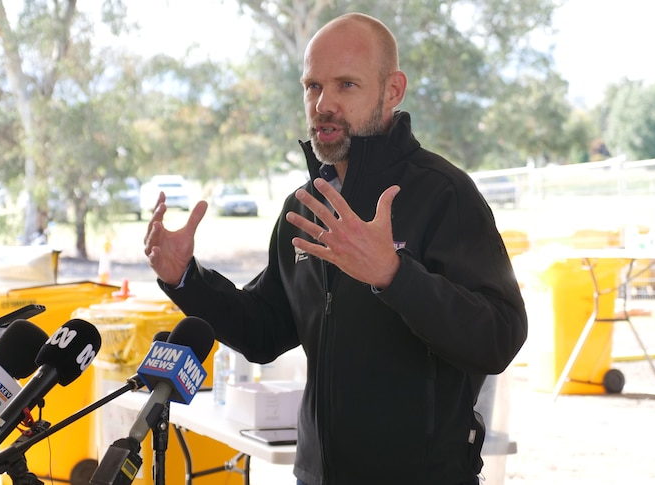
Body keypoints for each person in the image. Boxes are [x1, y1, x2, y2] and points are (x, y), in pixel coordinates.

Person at [143, 12, 527, 485]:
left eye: (346, 85)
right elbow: (264, 331)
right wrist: (186, 279)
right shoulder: (304, 206)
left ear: (392, 90)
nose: (323, 104)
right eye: (312, 86)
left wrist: (394, 275)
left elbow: (500, 337)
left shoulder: (443, 193)